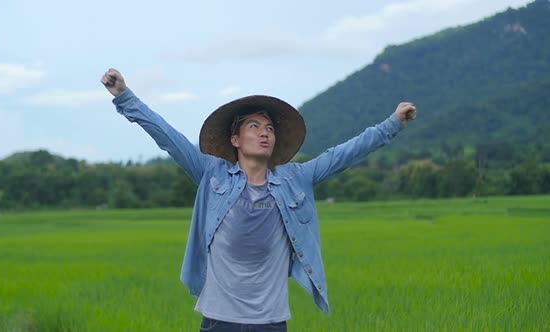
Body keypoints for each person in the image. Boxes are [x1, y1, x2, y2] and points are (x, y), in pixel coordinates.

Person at [101, 68, 417, 332]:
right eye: (254, 127)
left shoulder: (296, 179)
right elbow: (169, 138)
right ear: (235, 139)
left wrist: (393, 124)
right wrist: (125, 96)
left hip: (270, 321)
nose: (264, 133)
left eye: (269, 128)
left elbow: (344, 154)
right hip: (218, 320)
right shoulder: (213, 175)